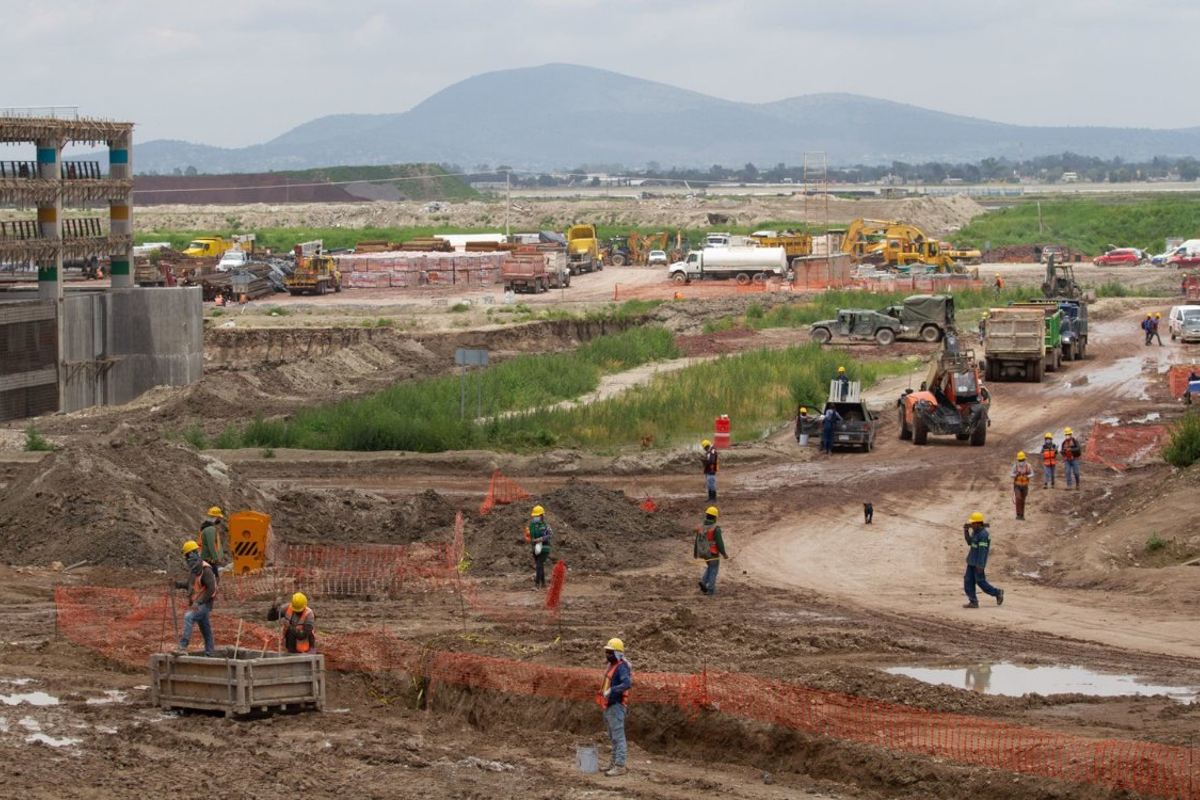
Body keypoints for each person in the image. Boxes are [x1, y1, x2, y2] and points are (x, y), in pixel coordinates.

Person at [175, 540, 217, 656]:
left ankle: (183, 646)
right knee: (206, 630)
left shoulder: (206, 570)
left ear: (194, 553)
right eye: (186, 556)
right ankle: (210, 653)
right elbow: (189, 584)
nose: (187, 558)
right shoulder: (194, 569)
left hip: (205, 603)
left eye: (188, 555)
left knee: (189, 617)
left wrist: (199, 602)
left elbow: (211, 588)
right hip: (198, 602)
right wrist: (176, 584)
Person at [599, 638, 632, 777]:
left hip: (616, 706)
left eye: (610, 652)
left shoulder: (622, 667)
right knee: (613, 737)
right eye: (607, 652)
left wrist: (612, 690)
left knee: (618, 737)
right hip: (609, 706)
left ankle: (620, 765)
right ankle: (613, 763)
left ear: (617, 653)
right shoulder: (612, 665)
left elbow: (627, 684)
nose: (607, 654)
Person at [962, 511, 1004, 609]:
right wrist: (966, 531)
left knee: (981, 582)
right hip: (971, 561)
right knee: (968, 581)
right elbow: (969, 542)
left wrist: (980, 565)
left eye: (973, 523)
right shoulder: (975, 532)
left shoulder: (983, 535)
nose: (971, 525)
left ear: (978, 523)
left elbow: (983, 552)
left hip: (978, 563)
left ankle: (997, 593)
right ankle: (973, 601)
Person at [694, 506, 728, 596]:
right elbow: (719, 543)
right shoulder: (716, 529)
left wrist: (696, 553)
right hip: (713, 553)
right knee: (714, 570)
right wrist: (724, 554)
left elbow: (697, 541)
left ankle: (703, 581)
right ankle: (710, 590)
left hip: (704, 553)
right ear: (715, 517)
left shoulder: (701, 527)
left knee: (710, 567)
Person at [525, 505, 552, 589]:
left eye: (537, 516)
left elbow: (550, 535)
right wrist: (528, 537)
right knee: (540, 565)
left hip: (544, 548)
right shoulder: (531, 526)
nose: (535, 518)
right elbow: (528, 536)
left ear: (541, 516)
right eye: (534, 516)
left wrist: (541, 539)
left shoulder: (545, 526)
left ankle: (537, 585)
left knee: (539, 565)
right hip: (535, 548)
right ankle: (543, 584)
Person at [197, 506, 226, 578]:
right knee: (214, 578)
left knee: (210, 577)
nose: (220, 519)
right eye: (219, 518)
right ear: (215, 517)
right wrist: (216, 558)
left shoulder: (206, 527)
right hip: (209, 558)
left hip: (206, 557)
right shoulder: (210, 529)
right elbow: (211, 545)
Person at [1010, 451, 1033, 520]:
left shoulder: (1028, 466)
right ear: (1018, 460)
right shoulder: (1015, 466)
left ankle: (1022, 515)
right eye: (1020, 460)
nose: (1021, 461)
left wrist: (1027, 476)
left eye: (1022, 460)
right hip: (1017, 486)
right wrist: (1016, 474)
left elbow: (1032, 474)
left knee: (1023, 500)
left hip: (1025, 486)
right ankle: (1018, 514)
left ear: (1025, 459)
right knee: (1018, 498)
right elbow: (1011, 474)